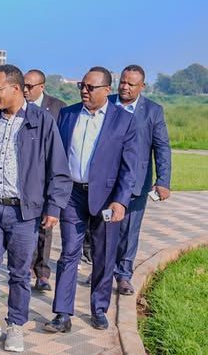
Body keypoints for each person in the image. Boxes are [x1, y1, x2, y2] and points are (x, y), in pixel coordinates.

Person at [0, 65, 72, 352]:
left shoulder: (41, 121)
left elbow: (58, 168)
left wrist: (54, 207)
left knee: (19, 273)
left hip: (24, 212)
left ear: (15, 88)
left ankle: (15, 325)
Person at [44, 66, 137, 334]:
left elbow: (129, 167)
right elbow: (56, 157)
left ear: (107, 90)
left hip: (107, 198)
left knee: (103, 255)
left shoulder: (124, 120)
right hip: (72, 195)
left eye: (90, 87)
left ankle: (99, 308)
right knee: (69, 253)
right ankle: (62, 313)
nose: (84, 91)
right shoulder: (68, 114)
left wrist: (120, 201)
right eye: (81, 86)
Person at [111, 65, 171, 296]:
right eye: (122, 82)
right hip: (105, 181)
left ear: (142, 86)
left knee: (129, 230)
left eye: (131, 84)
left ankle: (123, 275)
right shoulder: (107, 103)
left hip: (136, 181)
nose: (125, 87)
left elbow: (162, 147)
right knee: (102, 227)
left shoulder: (152, 111)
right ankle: (103, 269)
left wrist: (163, 180)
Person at [23, 69, 67, 292]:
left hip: (49, 174)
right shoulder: (20, 107)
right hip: (27, 175)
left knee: (45, 225)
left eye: (30, 86)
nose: (25, 90)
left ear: (41, 87)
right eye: (23, 85)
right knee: (26, 224)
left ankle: (42, 272)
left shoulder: (58, 108)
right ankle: (26, 268)